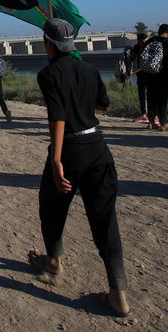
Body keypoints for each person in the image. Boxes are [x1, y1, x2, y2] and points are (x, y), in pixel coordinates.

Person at [27, 18, 130, 317]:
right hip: (98, 150)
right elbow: (104, 105)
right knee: (105, 221)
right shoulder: (89, 69)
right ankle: (118, 295)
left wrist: (57, 160)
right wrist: (81, 101)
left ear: (48, 43)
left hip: (70, 151)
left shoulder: (48, 75)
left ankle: (54, 261)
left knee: (51, 207)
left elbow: (57, 118)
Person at [134, 24, 168, 131]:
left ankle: (151, 122)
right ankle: (163, 124)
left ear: (158, 31)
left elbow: (143, 56)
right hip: (163, 74)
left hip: (149, 73)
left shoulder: (150, 41)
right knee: (162, 98)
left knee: (151, 97)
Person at [129, 33, 149, 123]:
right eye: (140, 41)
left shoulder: (149, 48)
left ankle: (153, 115)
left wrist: (133, 72)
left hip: (149, 74)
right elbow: (133, 59)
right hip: (140, 75)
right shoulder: (137, 47)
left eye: (143, 41)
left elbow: (146, 65)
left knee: (150, 94)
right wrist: (131, 50)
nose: (142, 42)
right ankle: (144, 114)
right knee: (141, 94)